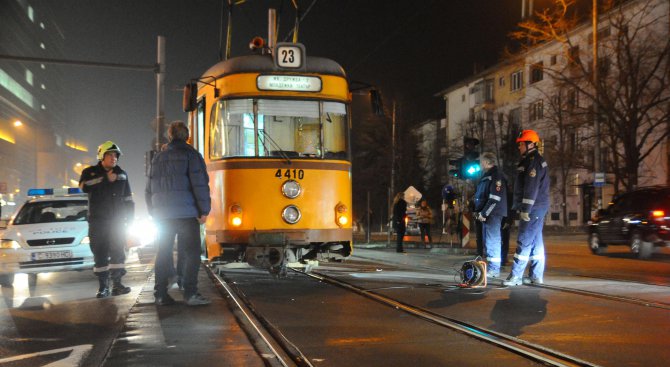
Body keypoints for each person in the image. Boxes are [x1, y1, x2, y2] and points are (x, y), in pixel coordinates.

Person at [146, 121, 212, 306]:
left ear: (170, 136)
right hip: (186, 213)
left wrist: (153, 211)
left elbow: (148, 188)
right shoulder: (192, 155)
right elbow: (200, 185)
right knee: (192, 252)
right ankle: (190, 293)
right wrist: (204, 210)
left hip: (163, 216)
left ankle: (160, 294)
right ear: (187, 136)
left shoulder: (158, 157)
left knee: (164, 251)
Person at [79, 141, 134, 298]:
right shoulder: (90, 172)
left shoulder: (122, 174)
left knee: (118, 252)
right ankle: (103, 287)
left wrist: (130, 219)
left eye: (115, 155)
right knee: (99, 252)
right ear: (102, 156)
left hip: (117, 222)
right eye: (110, 155)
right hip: (98, 222)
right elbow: (83, 186)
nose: (114, 158)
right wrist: (105, 179)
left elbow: (128, 199)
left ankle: (117, 284)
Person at [503, 130, 550, 286]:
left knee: (524, 241)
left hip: (533, 208)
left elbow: (531, 187)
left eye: (521, 144)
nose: (519, 147)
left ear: (531, 144)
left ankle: (515, 276)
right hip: (537, 208)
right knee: (536, 243)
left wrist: (526, 209)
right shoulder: (532, 160)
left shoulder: (533, 162)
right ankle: (536, 276)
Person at [473, 152, 507, 278]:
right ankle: (491, 267)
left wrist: (484, 213)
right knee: (488, 241)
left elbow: (494, 198)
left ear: (487, 162)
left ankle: (494, 269)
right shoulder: (487, 176)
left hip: (493, 213)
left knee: (493, 241)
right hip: (487, 214)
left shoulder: (495, 176)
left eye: (481, 161)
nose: (480, 164)